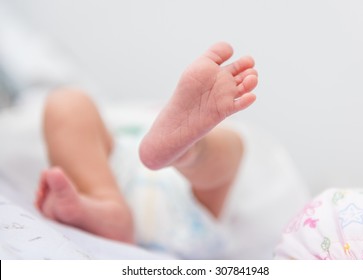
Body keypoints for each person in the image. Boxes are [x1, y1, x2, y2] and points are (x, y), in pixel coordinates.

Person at [35, 42, 258, 257]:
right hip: (185, 213)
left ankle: (110, 199)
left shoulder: (123, 121)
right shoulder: (124, 121)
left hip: (119, 181)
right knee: (230, 147)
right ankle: (189, 152)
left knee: (66, 102)